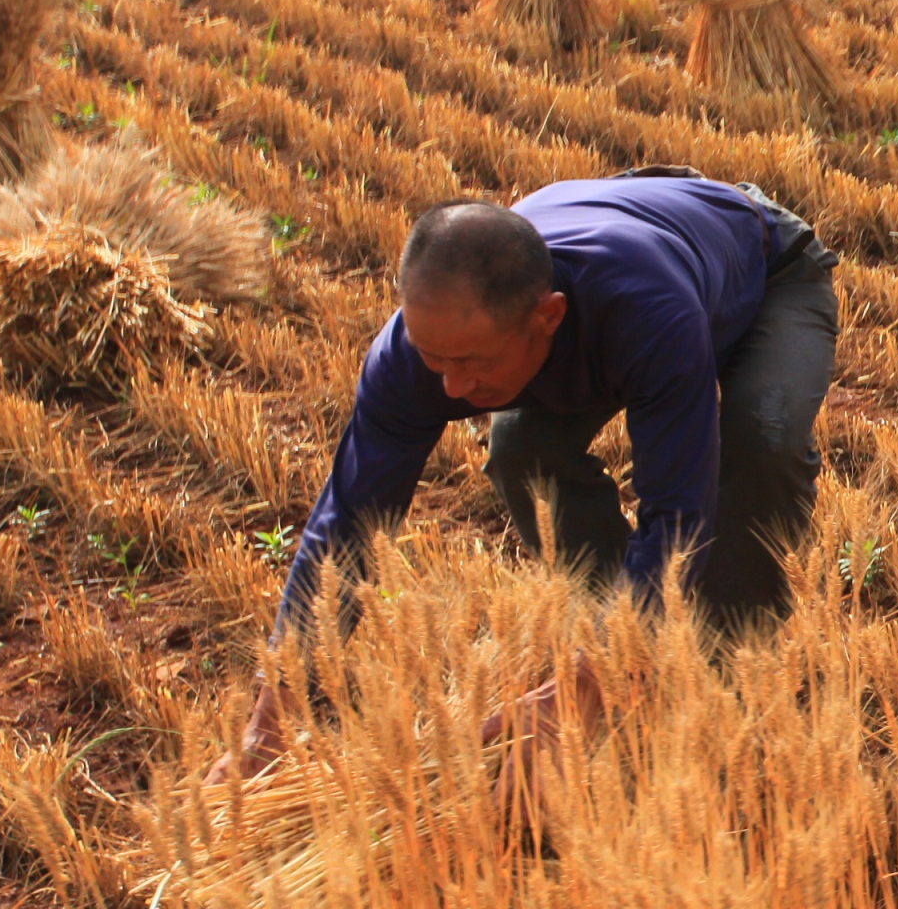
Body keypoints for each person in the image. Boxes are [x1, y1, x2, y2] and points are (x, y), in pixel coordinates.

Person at [217, 169, 839, 783]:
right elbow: (347, 520)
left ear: (547, 317)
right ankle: (634, 660)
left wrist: (577, 692)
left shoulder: (646, 309)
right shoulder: (409, 361)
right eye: (435, 360)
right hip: (633, 257)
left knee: (762, 440)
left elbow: (677, 510)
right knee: (520, 453)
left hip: (761, 269)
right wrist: (273, 711)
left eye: (471, 363)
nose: (453, 389)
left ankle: (718, 671)